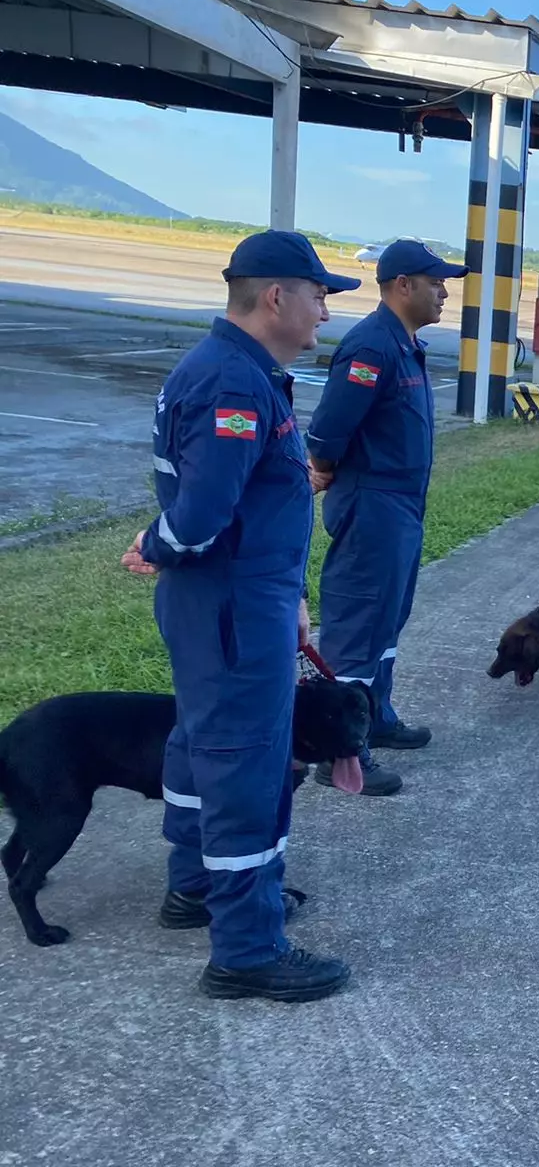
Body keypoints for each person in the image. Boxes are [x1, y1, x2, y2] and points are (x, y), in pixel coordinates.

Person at [119, 229, 358, 1002]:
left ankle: (195, 887)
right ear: (275, 297)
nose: (326, 308)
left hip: (235, 604)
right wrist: (156, 542)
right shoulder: (233, 384)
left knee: (199, 746)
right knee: (248, 766)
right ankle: (247, 950)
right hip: (228, 611)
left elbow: (247, 507)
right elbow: (200, 520)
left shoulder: (243, 371)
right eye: (318, 294)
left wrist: (288, 598)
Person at [303, 239, 467, 798]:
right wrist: (323, 470)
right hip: (373, 502)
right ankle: (341, 750)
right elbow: (327, 431)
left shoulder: (405, 345)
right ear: (403, 285)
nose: (445, 291)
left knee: (388, 622)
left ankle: (376, 715)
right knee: (357, 629)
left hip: (401, 504)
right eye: (436, 282)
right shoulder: (373, 347)